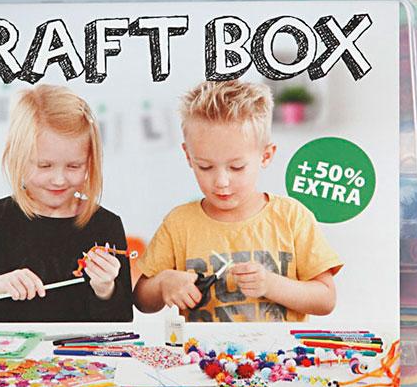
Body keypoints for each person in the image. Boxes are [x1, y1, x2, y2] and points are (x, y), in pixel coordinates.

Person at [134, 80, 341, 322]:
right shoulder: (179, 223)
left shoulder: (292, 217)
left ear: (266, 156)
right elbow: (141, 299)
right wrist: (163, 283)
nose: (221, 181)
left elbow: (325, 299)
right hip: (201, 348)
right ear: (188, 156)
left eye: (237, 167)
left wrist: (271, 285)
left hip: (278, 348)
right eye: (205, 166)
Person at [0, 85, 133, 322]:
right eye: (44, 166)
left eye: (74, 166)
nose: (59, 179)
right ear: (18, 159)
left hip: (81, 347)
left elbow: (123, 319)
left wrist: (105, 289)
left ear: (90, 162)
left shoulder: (105, 225)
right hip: (13, 347)